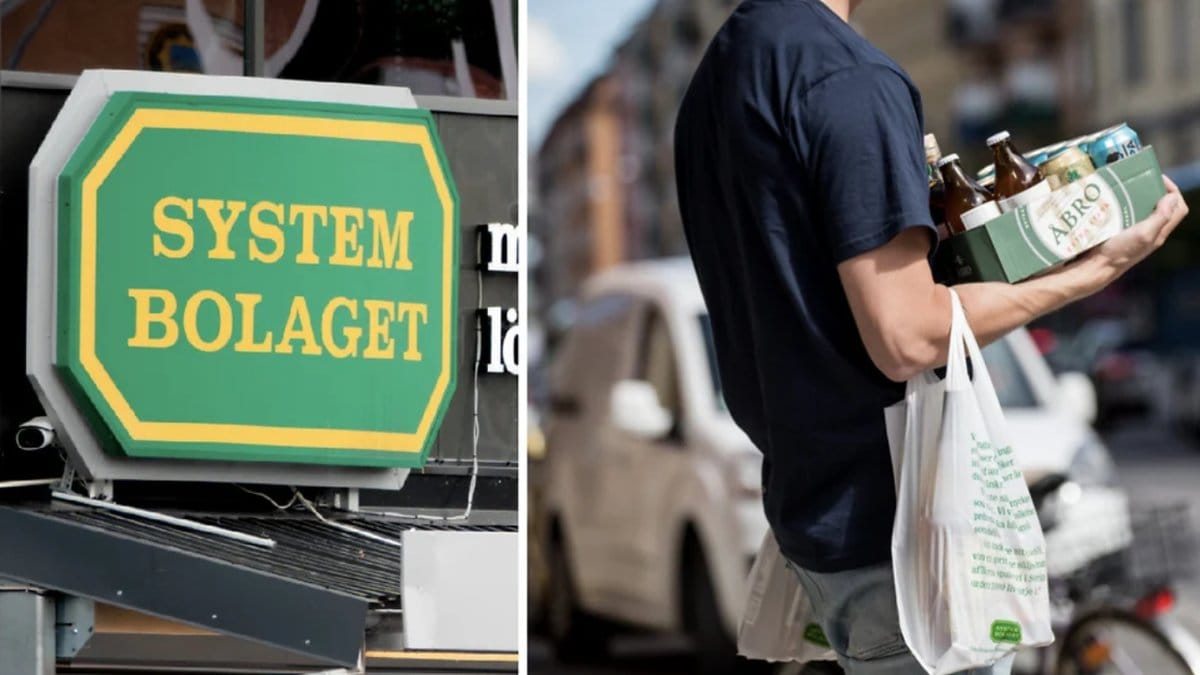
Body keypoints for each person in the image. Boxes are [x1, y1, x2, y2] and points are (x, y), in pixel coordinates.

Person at [673, 0, 1189, 673]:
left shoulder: (718, 80)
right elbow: (907, 335)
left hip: (825, 520)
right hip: (907, 542)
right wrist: (1091, 272)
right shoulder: (848, 76)